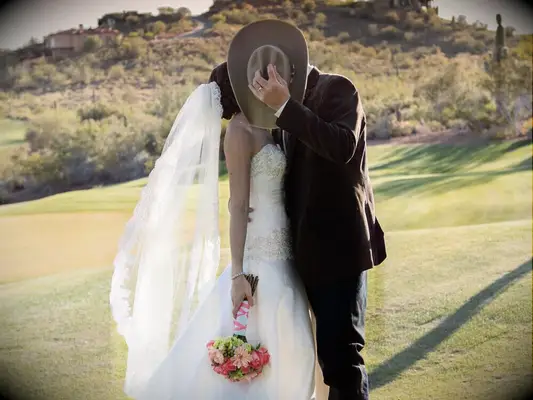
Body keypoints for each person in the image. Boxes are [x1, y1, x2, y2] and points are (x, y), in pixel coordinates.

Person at [242, 21, 387, 400]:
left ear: (289, 66)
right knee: (318, 364)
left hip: (340, 250)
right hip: (302, 256)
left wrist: (285, 107)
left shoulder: (339, 89)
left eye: (270, 71)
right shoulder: (279, 115)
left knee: (342, 362)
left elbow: (341, 147)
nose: (264, 81)